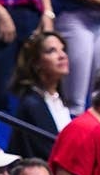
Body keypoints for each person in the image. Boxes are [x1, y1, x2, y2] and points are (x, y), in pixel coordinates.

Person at [5, 31, 70, 159]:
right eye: (52, 51)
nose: (62, 55)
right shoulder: (32, 104)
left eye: (63, 50)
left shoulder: (58, 98)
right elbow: (48, 153)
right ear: (36, 63)